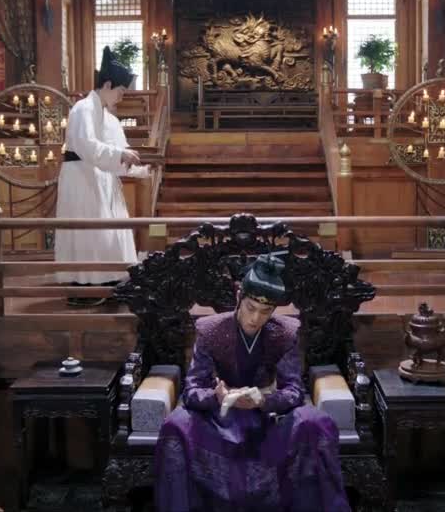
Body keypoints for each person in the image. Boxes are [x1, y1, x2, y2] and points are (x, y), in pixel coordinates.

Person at [153, 254, 351, 512]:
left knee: (315, 422)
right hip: (220, 419)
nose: (255, 318)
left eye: (265, 311)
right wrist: (216, 396)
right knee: (175, 424)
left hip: (266, 420)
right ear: (239, 297)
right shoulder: (210, 329)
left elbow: (294, 391)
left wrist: (264, 400)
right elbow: (191, 390)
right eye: (250, 307)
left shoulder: (284, 333)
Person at [55, 46, 150, 307]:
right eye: (120, 91)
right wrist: (120, 154)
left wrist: (134, 167)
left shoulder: (109, 118)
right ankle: (83, 286)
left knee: (108, 231)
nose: (122, 96)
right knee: (89, 233)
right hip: (81, 178)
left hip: (102, 180)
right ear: (107, 85)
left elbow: (116, 155)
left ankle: (108, 280)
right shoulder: (83, 108)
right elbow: (86, 145)